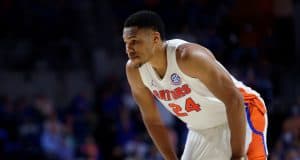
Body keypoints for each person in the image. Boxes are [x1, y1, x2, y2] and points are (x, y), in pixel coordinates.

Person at [123, 10, 268, 160]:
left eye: (134, 41)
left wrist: (237, 156)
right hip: (201, 130)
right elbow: (152, 120)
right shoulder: (135, 72)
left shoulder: (189, 58)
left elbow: (234, 100)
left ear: (155, 38)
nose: (129, 48)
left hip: (242, 113)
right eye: (126, 42)